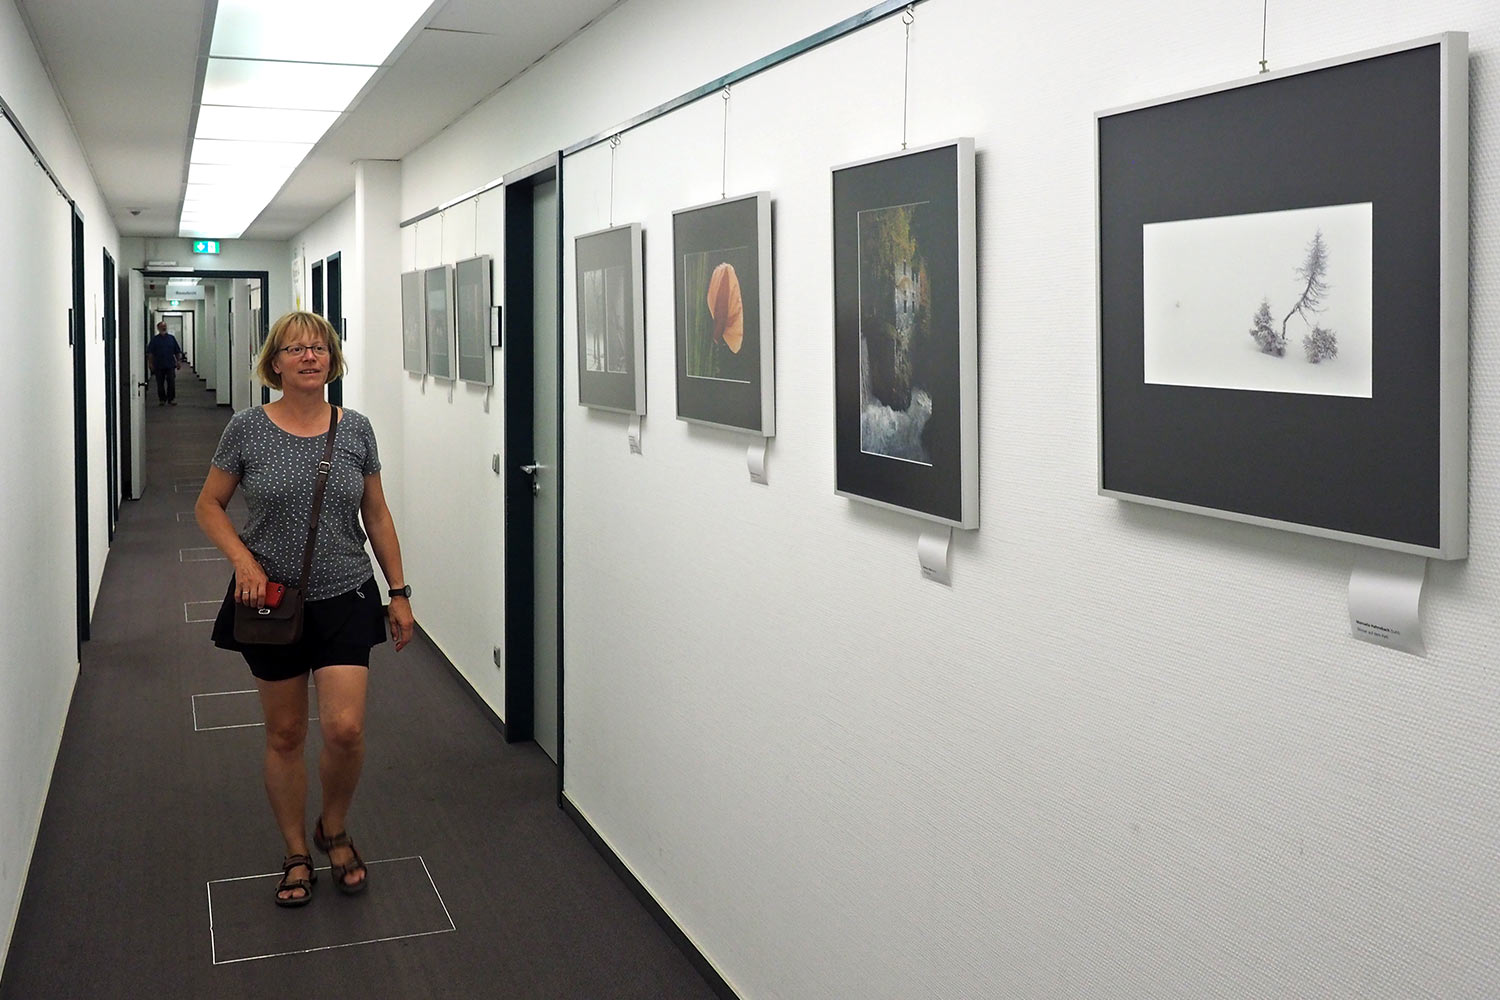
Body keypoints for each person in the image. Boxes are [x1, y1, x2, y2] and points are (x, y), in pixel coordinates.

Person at [194, 311, 416, 907]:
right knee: (287, 732)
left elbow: (377, 513)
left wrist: (399, 592)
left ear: (332, 359)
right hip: (270, 604)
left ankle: (334, 826)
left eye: (319, 348)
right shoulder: (246, 430)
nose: (309, 357)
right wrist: (243, 560)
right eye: (295, 349)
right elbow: (209, 505)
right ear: (275, 363)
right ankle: (296, 850)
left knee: (345, 729)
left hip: (346, 594)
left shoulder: (356, 429)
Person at [146, 321, 184, 405]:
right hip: (159, 365)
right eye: (162, 326)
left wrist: (178, 361)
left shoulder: (171, 338)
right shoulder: (155, 340)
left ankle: (171, 399)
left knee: (171, 382)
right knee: (160, 383)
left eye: (165, 326)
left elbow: (177, 351)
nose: (164, 328)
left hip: (170, 364)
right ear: (158, 328)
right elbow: (150, 353)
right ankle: (162, 399)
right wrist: (150, 363)